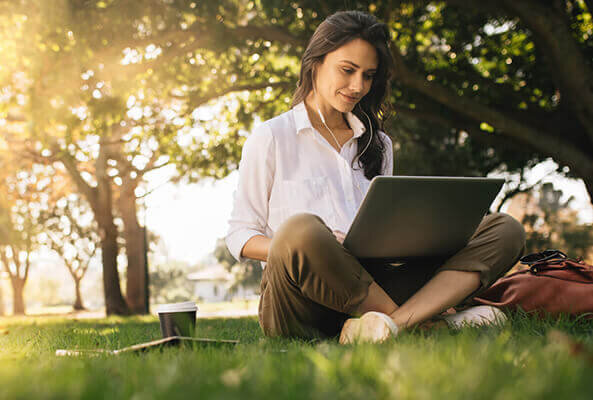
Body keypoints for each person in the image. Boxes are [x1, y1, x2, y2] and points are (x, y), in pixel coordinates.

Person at [225, 10, 526, 343]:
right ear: (316, 62)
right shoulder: (271, 137)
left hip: (373, 282)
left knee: (505, 228)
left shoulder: (378, 144)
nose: (358, 86)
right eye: (347, 70)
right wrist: (312, 246)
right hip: (299, 301)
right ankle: (422, 322)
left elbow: (384, 227)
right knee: (302, 230)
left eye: (368, 76)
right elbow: (240, 235)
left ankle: (388, 326)